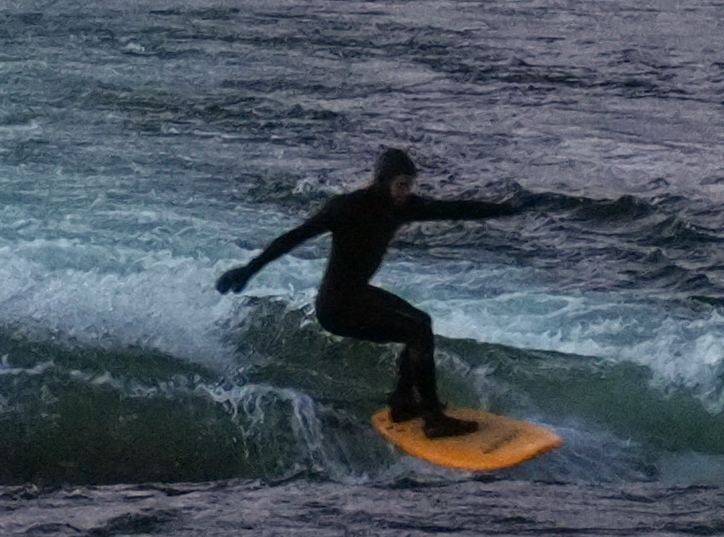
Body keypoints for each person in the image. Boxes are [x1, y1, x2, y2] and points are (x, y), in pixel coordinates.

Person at [216, 147, 523, 426]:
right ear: (384, 181)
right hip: (336, 307)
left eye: (409, 185)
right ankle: (434, 420)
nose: (406, 191)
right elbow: (294, 237)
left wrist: (507, 208)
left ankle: (403, 403)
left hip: (358, 295)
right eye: (401, 184)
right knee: (416, 332)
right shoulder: (347, 207)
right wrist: (248, 270)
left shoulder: (401, 207)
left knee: (422, 324)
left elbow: (456, 209)